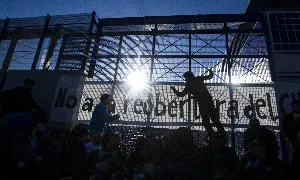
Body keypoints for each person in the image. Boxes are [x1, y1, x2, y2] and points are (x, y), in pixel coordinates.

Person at [170, 70, 225, 137]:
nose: (185, 80)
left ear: (188, 77)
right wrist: (211, 71)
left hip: (202, 103)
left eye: (185, 78)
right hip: (209, 101)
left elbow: (181, 94)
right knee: (214, 118)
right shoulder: (198, 79)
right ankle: (221, 134)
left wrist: (174, 90)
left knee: (206, 121)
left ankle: (212, 135)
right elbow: (210, 77)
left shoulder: (189, 85)